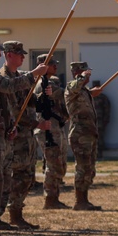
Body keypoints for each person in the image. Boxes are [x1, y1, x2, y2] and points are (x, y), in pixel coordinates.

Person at [1, 41, 48, 230]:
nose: (22, 57)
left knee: (27, 176)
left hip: (26, 136)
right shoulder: (4, 78)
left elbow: (30, 103)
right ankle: (12, 213)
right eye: (19, 54)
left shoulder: (21, 76)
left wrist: (44, 97)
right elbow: (14, 110)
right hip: (15, 135)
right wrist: (36, 124)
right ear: (9, 54)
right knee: (17, 176)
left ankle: (17, 213)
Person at [65, 62, 103, 210]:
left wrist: (92, 92)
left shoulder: (84, 91)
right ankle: (79, 201)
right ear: (78, 73)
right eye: (86, 73)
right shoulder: (71, 87)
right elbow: (74, 88)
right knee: (82, 168)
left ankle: (84, 199)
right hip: (80, 135)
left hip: (90, 133)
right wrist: (82, 77)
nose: (89, 76)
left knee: (89, 168)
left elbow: (83, 92)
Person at [36, 56, 70, 210]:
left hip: (55, 127)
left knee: (59, 163)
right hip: (48, 128)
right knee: (53, 163)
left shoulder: (50, 83)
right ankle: (50, 199)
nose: (55, 66)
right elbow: (66, 94)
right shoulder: (43, 84)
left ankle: (54, 197)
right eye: (51, 64)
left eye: (56, 63)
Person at [92, 81, 111, 159]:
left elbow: (107, 109)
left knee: (100, 138)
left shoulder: (103, 98)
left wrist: (106, 120)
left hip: (100, 121)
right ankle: (93, 155)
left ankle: (99, 154)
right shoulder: (89, 97)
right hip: (91, 121)